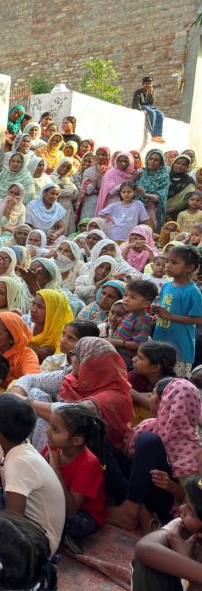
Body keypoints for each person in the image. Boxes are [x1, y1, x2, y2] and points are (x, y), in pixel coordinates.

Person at [109, 378, 202, 530]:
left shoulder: (194, 449)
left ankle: (131, 511)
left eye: (153, 394)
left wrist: (173, 487)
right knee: (103, 446)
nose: (150, 398)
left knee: (148, 440)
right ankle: (142, 513)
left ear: (164, 404)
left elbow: (197, 500)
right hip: (144, 489)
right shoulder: (150, 425)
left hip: (170, 504)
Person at [0, 394, 65, 555]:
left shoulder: (20, 462)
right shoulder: (7, 442)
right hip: (24, 522)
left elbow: (13, 520)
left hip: (38, 544)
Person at [43, 403, 107, 553]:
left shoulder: (89, 464)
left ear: (77, 440)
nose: (47, 431)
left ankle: (67, 535)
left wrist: (56, 470)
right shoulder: (54, 446)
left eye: (55, 429)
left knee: (65, 521)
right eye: (50, 426)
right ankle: (59, 535)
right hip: (56, 502)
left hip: (84, 514)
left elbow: (72, 509)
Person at [132, 475, 202, 590]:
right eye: (186, 503)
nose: (181, 509)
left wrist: (185, 558)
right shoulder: (181, 528)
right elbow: (144, 548)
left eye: (190, 512)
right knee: (149, 564)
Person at [152, 245, 202, 376]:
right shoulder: (167, 285)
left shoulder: (192, 291)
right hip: (161, 340)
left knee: (174, 383)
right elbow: (166, 309)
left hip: (180, 347)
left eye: (174, 263)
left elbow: (199, 319)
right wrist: (157, 313)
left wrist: (170, 316)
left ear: (189, 268)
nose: (167, 265)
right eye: (167, 261)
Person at [132, 76, 166, 143]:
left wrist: (152, 93)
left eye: (150, 84)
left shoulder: (150, 92)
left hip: (148, 106)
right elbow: (135, 103)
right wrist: (140, 110)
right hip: (141, 106)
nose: (149, 85)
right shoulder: (138, 92)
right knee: (152, 112)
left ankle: (157, 134)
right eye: (147, 84)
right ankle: (153, 134)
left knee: (160, 114)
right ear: (143, 84)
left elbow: (151, 103)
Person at [167, 153, 197, 221]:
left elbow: (187, 198)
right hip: (158, 210)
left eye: (184, 165)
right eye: (177, 163)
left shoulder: (189, 181)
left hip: (177, 214)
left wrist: (169, 210)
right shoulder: (164, 176)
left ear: (187, 167)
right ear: (173, 163)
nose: (179, 166)